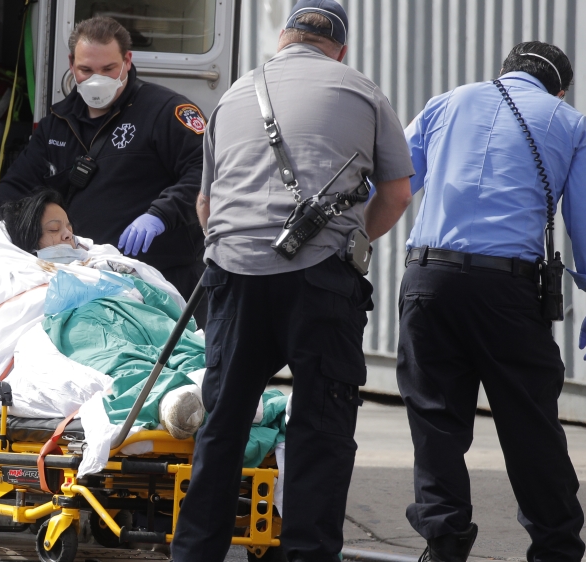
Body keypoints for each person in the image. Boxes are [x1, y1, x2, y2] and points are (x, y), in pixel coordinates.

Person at [171, 1, 415, 560]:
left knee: (223, 425)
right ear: (341, 49)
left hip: (232, 275)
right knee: (320, 428)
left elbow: (206, 204)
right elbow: (397, 193)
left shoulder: (233, 94)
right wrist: (358, 243)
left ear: (283, 41)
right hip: (322, 280)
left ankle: (193, 553)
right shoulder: (362, 91)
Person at [396, 41, 586, 562]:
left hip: (428, 280)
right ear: (558, 88)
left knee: (435, 421)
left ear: (503, 73)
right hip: (507, 292)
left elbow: (396, 184)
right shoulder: (569, 121)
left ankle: (443, 544)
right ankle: (555, 547)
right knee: (530, 424)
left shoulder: (446, 102)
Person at [0, 16, 206, 319]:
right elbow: (20, 184)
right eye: (86, 70)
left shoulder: (164, 111)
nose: (97, 79)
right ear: (71, 64)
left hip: (161, 277)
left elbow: (204, 171)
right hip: (88, 280)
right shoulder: (58, 123)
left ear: (127, 61)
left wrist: (160, 214)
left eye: (108, 69)